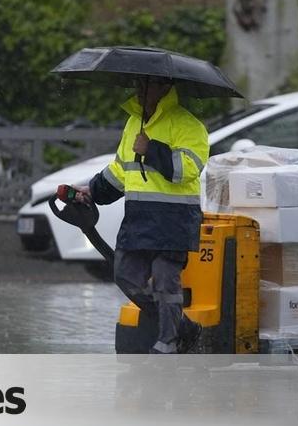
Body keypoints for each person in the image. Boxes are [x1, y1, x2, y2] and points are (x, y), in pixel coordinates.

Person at [71, 79, 209, 354]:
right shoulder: (134, 123)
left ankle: (168, 341)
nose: (140, 92)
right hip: (139, 219)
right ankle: (183, 328)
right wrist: (92, 190)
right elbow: (120, 171)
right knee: (125, 275)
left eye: (148, 87)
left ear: (165, 88)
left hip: (173, 221)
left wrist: (152, 149)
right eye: (138, 86)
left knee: (164, 281)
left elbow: (186, 170)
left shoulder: (188, 125)